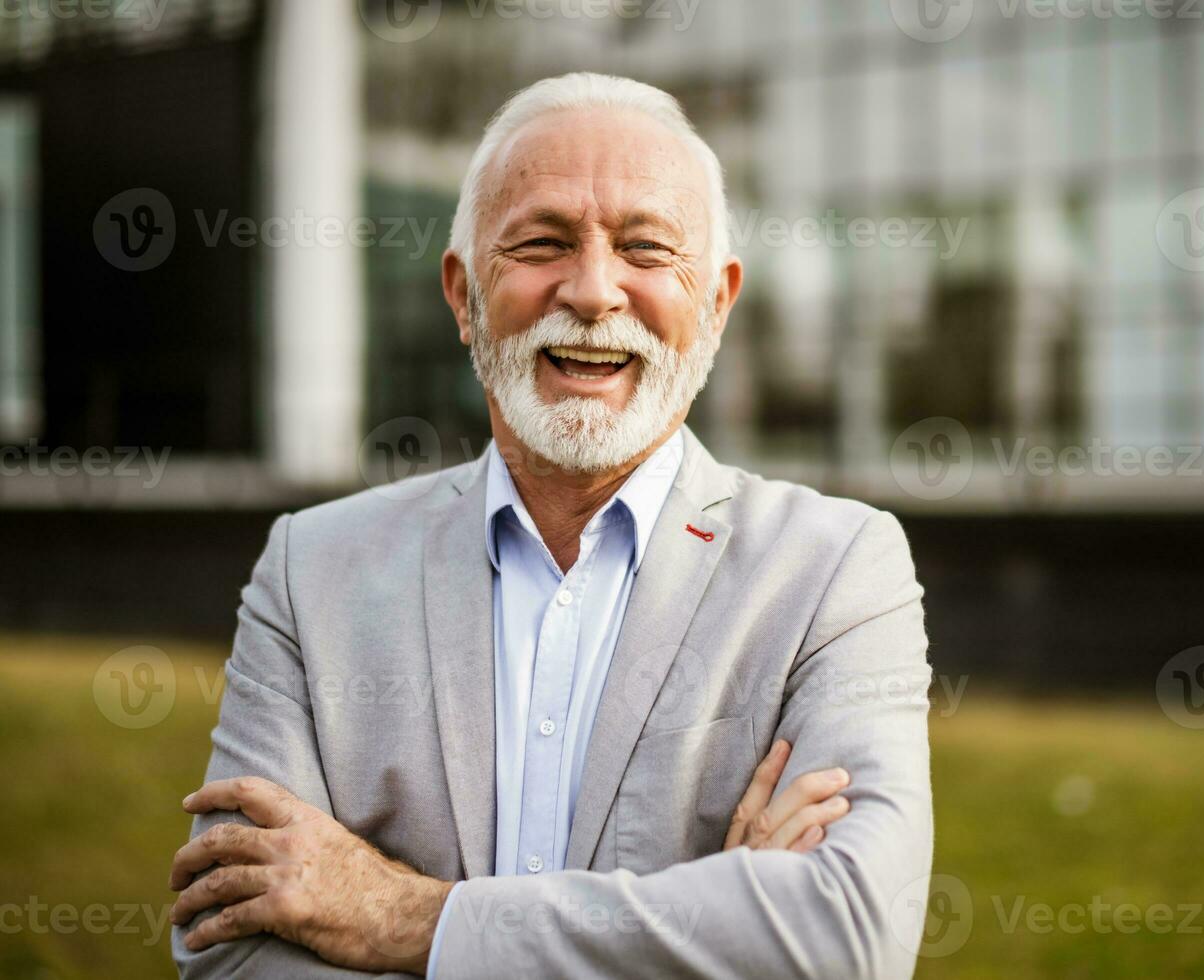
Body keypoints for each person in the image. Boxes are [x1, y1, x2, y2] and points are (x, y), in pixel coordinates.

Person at [169, 72, 933, 979]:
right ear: (464, 296)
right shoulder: (311, 569)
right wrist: (713, 923)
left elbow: (847, 933)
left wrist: (412, 918)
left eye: (647, 249)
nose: (594, 291)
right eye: (542, 243)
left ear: (718, 304)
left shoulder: (837, 570)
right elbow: (231, 951)